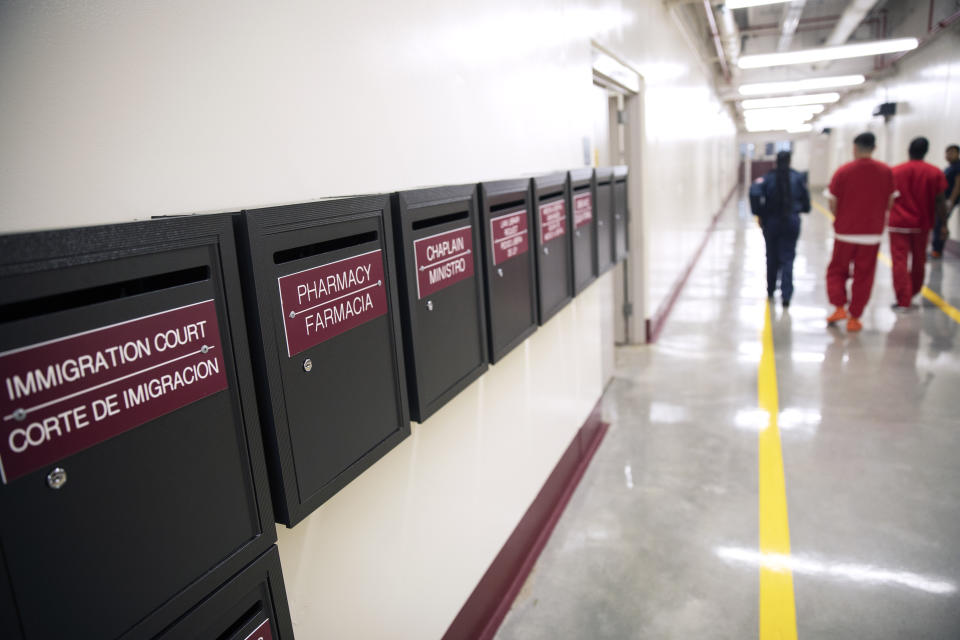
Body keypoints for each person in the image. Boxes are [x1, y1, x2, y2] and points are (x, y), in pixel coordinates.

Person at [824, 132, 896, 332]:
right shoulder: (886, 171)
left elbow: (832, 202)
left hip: (845, 232)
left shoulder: (843, 171)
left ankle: (839, 306)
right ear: (875, 148)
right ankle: (854, 317)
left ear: (854, 148)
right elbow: (890, 202)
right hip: (872, 234)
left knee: (837, 270)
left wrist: (842, 217)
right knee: (864, 275)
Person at [889, 137, 948, 311]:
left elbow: (888, 197)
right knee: (919, 260)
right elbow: (940, 201)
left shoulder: (896, 171)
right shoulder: (935, 172)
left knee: (899, 261)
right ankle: (912, 293)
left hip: (898, 223)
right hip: (922, 224)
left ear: (909, 150)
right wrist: (943, 224)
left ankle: (903, 299)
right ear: (926, 151)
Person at [749, 150, 810, 307]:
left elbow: (753, 191)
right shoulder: (798, 178)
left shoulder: (768, 178)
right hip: (791, 221)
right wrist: (799, 208)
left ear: (776, 161)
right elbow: (807, 203)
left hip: (771, 222)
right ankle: (786, 296)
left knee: (771, 256)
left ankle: (770, 291)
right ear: (790, 161)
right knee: (788, 257)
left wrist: (760, 213)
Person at [931, 144, 960, 257]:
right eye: (947, 153)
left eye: (952, 152)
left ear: (957, 153)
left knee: (940, 224)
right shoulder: (949, 167)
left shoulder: (958, 167)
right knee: (939, 223)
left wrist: (951, 201)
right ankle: (937, 248)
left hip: (948, 202)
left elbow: (958, 185)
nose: (949, 155)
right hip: (942, 201)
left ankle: (937, 250)